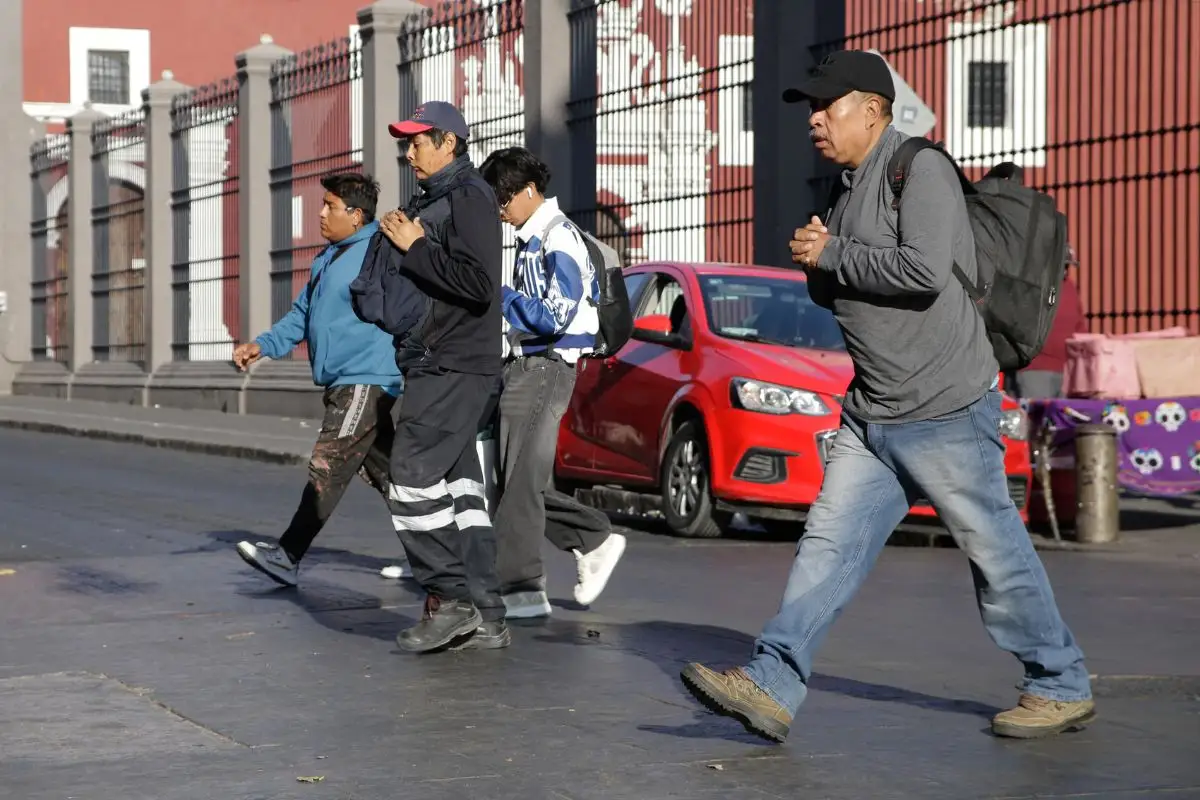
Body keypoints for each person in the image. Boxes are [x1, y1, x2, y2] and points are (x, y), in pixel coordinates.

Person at [679, 50, 1093, 742]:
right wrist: (817, 260)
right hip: (874, 412)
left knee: (993, 552)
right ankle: (773, 681)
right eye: (810, 109)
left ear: (873, 110)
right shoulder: (846, 187)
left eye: (828, 106)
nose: (815, 120)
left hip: (944, 409)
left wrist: (832, 252)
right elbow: (848, 287)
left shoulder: (918, 168)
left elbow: (924, 271)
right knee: (827, 545)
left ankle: (1060, 683)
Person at [231, 173, 410, 586]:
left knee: (327, 464)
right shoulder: (327, 258)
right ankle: (444, 561)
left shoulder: (380, 250)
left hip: (367, 377)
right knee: (398, 479)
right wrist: (262, 345)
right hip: (344, 380)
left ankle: (288, 555)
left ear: (356, 214)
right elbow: (302, 315)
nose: (320, 213)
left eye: (330, 206)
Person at [377, 101, 509, 652]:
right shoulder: (439, 198)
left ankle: (451, 601)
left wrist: (416, 248)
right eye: (406, 144)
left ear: (449, 143)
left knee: (407, 478)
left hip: (452, 361)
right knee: (462, 491)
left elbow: (479, 284)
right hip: (444, 360)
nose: (409, 154)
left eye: (418, 142)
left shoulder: (469, 197)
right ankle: (488, 615)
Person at [478, 146, 627, 619]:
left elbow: (556, 315)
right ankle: (593, 541)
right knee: (514, 479)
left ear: (528, 191)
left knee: (519, 482)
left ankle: (522, 588)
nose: (499, 212)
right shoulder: (535, 236)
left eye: (503, 201)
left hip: (545, 367)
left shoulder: (556, 238)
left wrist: (499, 296)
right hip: (528, 367)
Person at [982, 164, 1087, 399]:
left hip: (1065, 370)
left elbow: (1080, 328)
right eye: (1064, 265)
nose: (1066, 270)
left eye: (1067, 265)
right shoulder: (1033, 284)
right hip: (1032, 369)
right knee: (1030, 428)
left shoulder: (1068, 287)